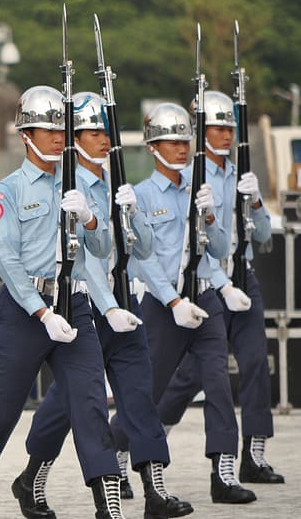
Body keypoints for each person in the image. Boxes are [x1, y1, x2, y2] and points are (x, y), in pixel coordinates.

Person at [11, 92, 193, 519]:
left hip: (125, 304)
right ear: (72, 138)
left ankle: (155, 492)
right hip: (88, 307)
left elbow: (143, 250)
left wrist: (135, 212)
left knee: (138, 398)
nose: (104, 139)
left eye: (106, 131)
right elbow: (84, 261)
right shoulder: (67, 187)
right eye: (94, 132)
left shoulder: (117, 181)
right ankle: (32, 476)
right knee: (67, 406)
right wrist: (108, 306)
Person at [0, 85, 124, 519]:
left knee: (90, 405)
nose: (58, 136)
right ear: (26, 135)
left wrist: (91, 216)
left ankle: (109, 505)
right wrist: (41, 313)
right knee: (1, 412)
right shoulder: (7, 191)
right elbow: (6, 261)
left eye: (61, 128)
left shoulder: (82, 184)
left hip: (74, 307)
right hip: (24, 312)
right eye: (47, 129)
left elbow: (103, 249)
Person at [117, 101, 257, 504]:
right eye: (171, 141)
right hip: (163, 304)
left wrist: (210, 218)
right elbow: (144, 262)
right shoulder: (140, 196)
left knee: (217, 382)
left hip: (205, 298)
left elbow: (213, 250)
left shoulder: (199, 191)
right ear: (152, 147)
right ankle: (120, 449)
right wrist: (173, 300)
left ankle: (223, 472)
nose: (181, 148)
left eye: (184, 140)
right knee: (149, 388)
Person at [153, 90, 282, 484]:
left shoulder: (239, 171)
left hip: (242, 274)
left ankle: (253, 456)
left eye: (230, 127)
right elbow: (193, 241)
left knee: (257, 363)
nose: (226, 135)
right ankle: (146, 441)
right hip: (207, 280)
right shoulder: (189, 176)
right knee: (191, 374)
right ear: (200, 129)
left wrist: (257, 201)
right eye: (217, 127)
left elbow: (264, 238)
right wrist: (222, 286)